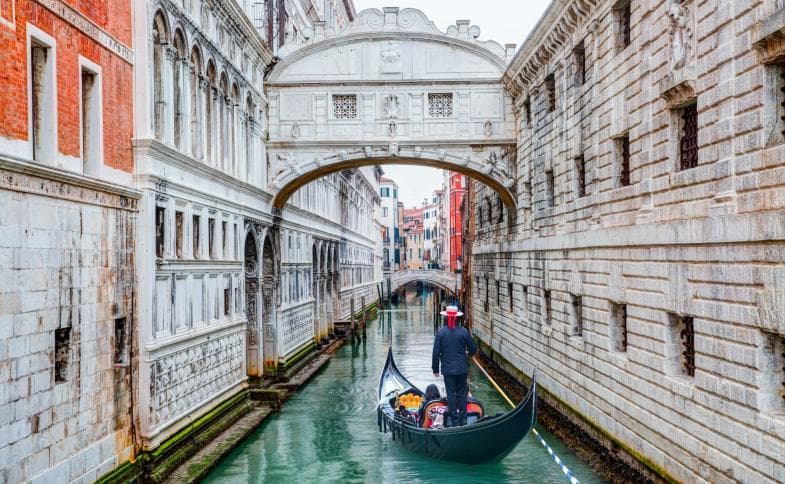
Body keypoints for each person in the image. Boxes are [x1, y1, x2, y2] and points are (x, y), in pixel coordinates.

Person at [431, 305, 477, 427]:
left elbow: (436, 352)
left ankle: (455, 421)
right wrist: (470, 354)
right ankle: (464, 420)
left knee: (451, 394)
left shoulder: (441, 333)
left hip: (448, 370)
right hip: (462, 368)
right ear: (457, 318)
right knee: (462, 394)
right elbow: (473, 348)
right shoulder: (464, 331)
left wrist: (435, 369)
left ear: (446, 317)